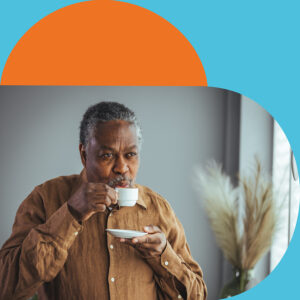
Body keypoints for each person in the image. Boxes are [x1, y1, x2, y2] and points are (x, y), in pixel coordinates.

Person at [0, 102, 207, 300]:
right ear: (84, 154)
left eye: (130, 154)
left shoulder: (158, 209)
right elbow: (6, 287)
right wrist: (71, 213)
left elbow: (197, 295)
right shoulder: (46, 198)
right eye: (107, 155)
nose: (122, 167)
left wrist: (163, 255)